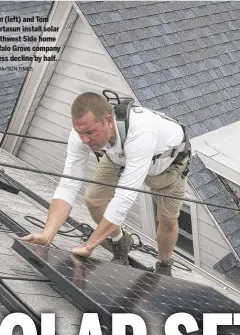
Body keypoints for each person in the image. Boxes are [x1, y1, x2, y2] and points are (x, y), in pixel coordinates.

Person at [22, 92, 190, 276]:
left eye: (90, 133)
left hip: (166, 167)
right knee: (94, 199)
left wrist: (90, 245)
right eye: (80, 133)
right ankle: (120, 241)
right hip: (120, 157)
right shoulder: (81, 134)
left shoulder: (141, 133)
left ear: (108, 121)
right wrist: (47, 235)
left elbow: (124, 198)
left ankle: (164, 267)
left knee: (166, 219)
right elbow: (69, 184)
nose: (84, 140)